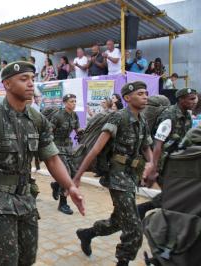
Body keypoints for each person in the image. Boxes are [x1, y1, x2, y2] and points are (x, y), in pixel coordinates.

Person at [0, 61, 85, 266]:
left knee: (27, 259)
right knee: (9, 261)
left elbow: (51, 158)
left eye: (32, 79)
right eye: (23, 79)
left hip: (25, 198)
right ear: (7, 84)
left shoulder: (38, 119)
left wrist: (70, 186)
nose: (30, 84)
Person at [73, 81, 154, 266]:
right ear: (127, 98)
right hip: (117, 177)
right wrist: (77, 177)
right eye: (140, 93)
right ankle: (122, 262)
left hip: (131, 176)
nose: (145, 96)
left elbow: (146, 147)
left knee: (118, 221)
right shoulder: (118, 118)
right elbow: (95, 149)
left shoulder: (142, 121)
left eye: (146, 93)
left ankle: (87, 234)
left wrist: (151, 165)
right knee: (134, 228)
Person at [137, 88, 197, 219]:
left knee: (177, 194)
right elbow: (158, 145)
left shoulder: (187, 115)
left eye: (195, 98)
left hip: (176, 164)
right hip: (163, 165)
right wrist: (153, 168)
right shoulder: (168, 116)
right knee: (177, 195)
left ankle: (143, 209)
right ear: (181, 100)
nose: (195, 101)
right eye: (191, 98)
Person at [50, 94, 83, 215]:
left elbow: (77, 129)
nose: (73, 103)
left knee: (74, 172)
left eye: (75, 101)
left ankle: (56, 185)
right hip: (57, 147)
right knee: (67, 173)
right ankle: (63, 204)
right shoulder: (57, 116)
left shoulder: (74, 115)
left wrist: (83, 132)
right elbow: (49, 131)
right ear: (65, 103)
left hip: (68, 147)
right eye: (71, 101)